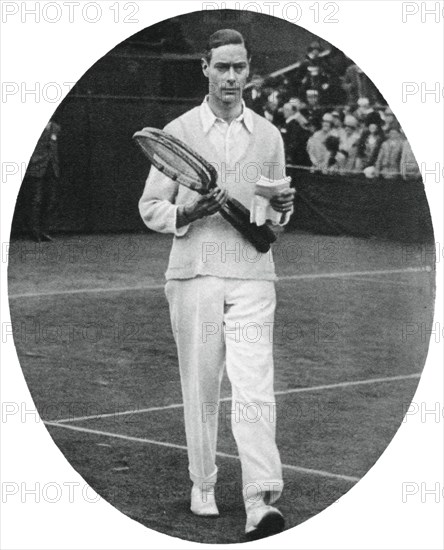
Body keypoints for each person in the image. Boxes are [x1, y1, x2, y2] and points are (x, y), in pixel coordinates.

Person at [138, 29, 295, 541]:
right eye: (222, 67)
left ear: (249, 71)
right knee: (201, 387)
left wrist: (281, 212)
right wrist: (186, 211)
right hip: (195, 274)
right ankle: (202, 482)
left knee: (255, 387)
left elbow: (270, 211)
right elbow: (151, 207)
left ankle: (259, 498)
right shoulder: (179, 128)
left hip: (252, 275)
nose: (231, 77)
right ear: (204, 68)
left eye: (240, 68)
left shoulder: (269, 135)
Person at [20, 120, 60, 242]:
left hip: (51, 168)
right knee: (35, 200)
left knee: (50, 200)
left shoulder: (56, 127)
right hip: (35, 167)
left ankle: (44, 230)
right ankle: (34, 232)